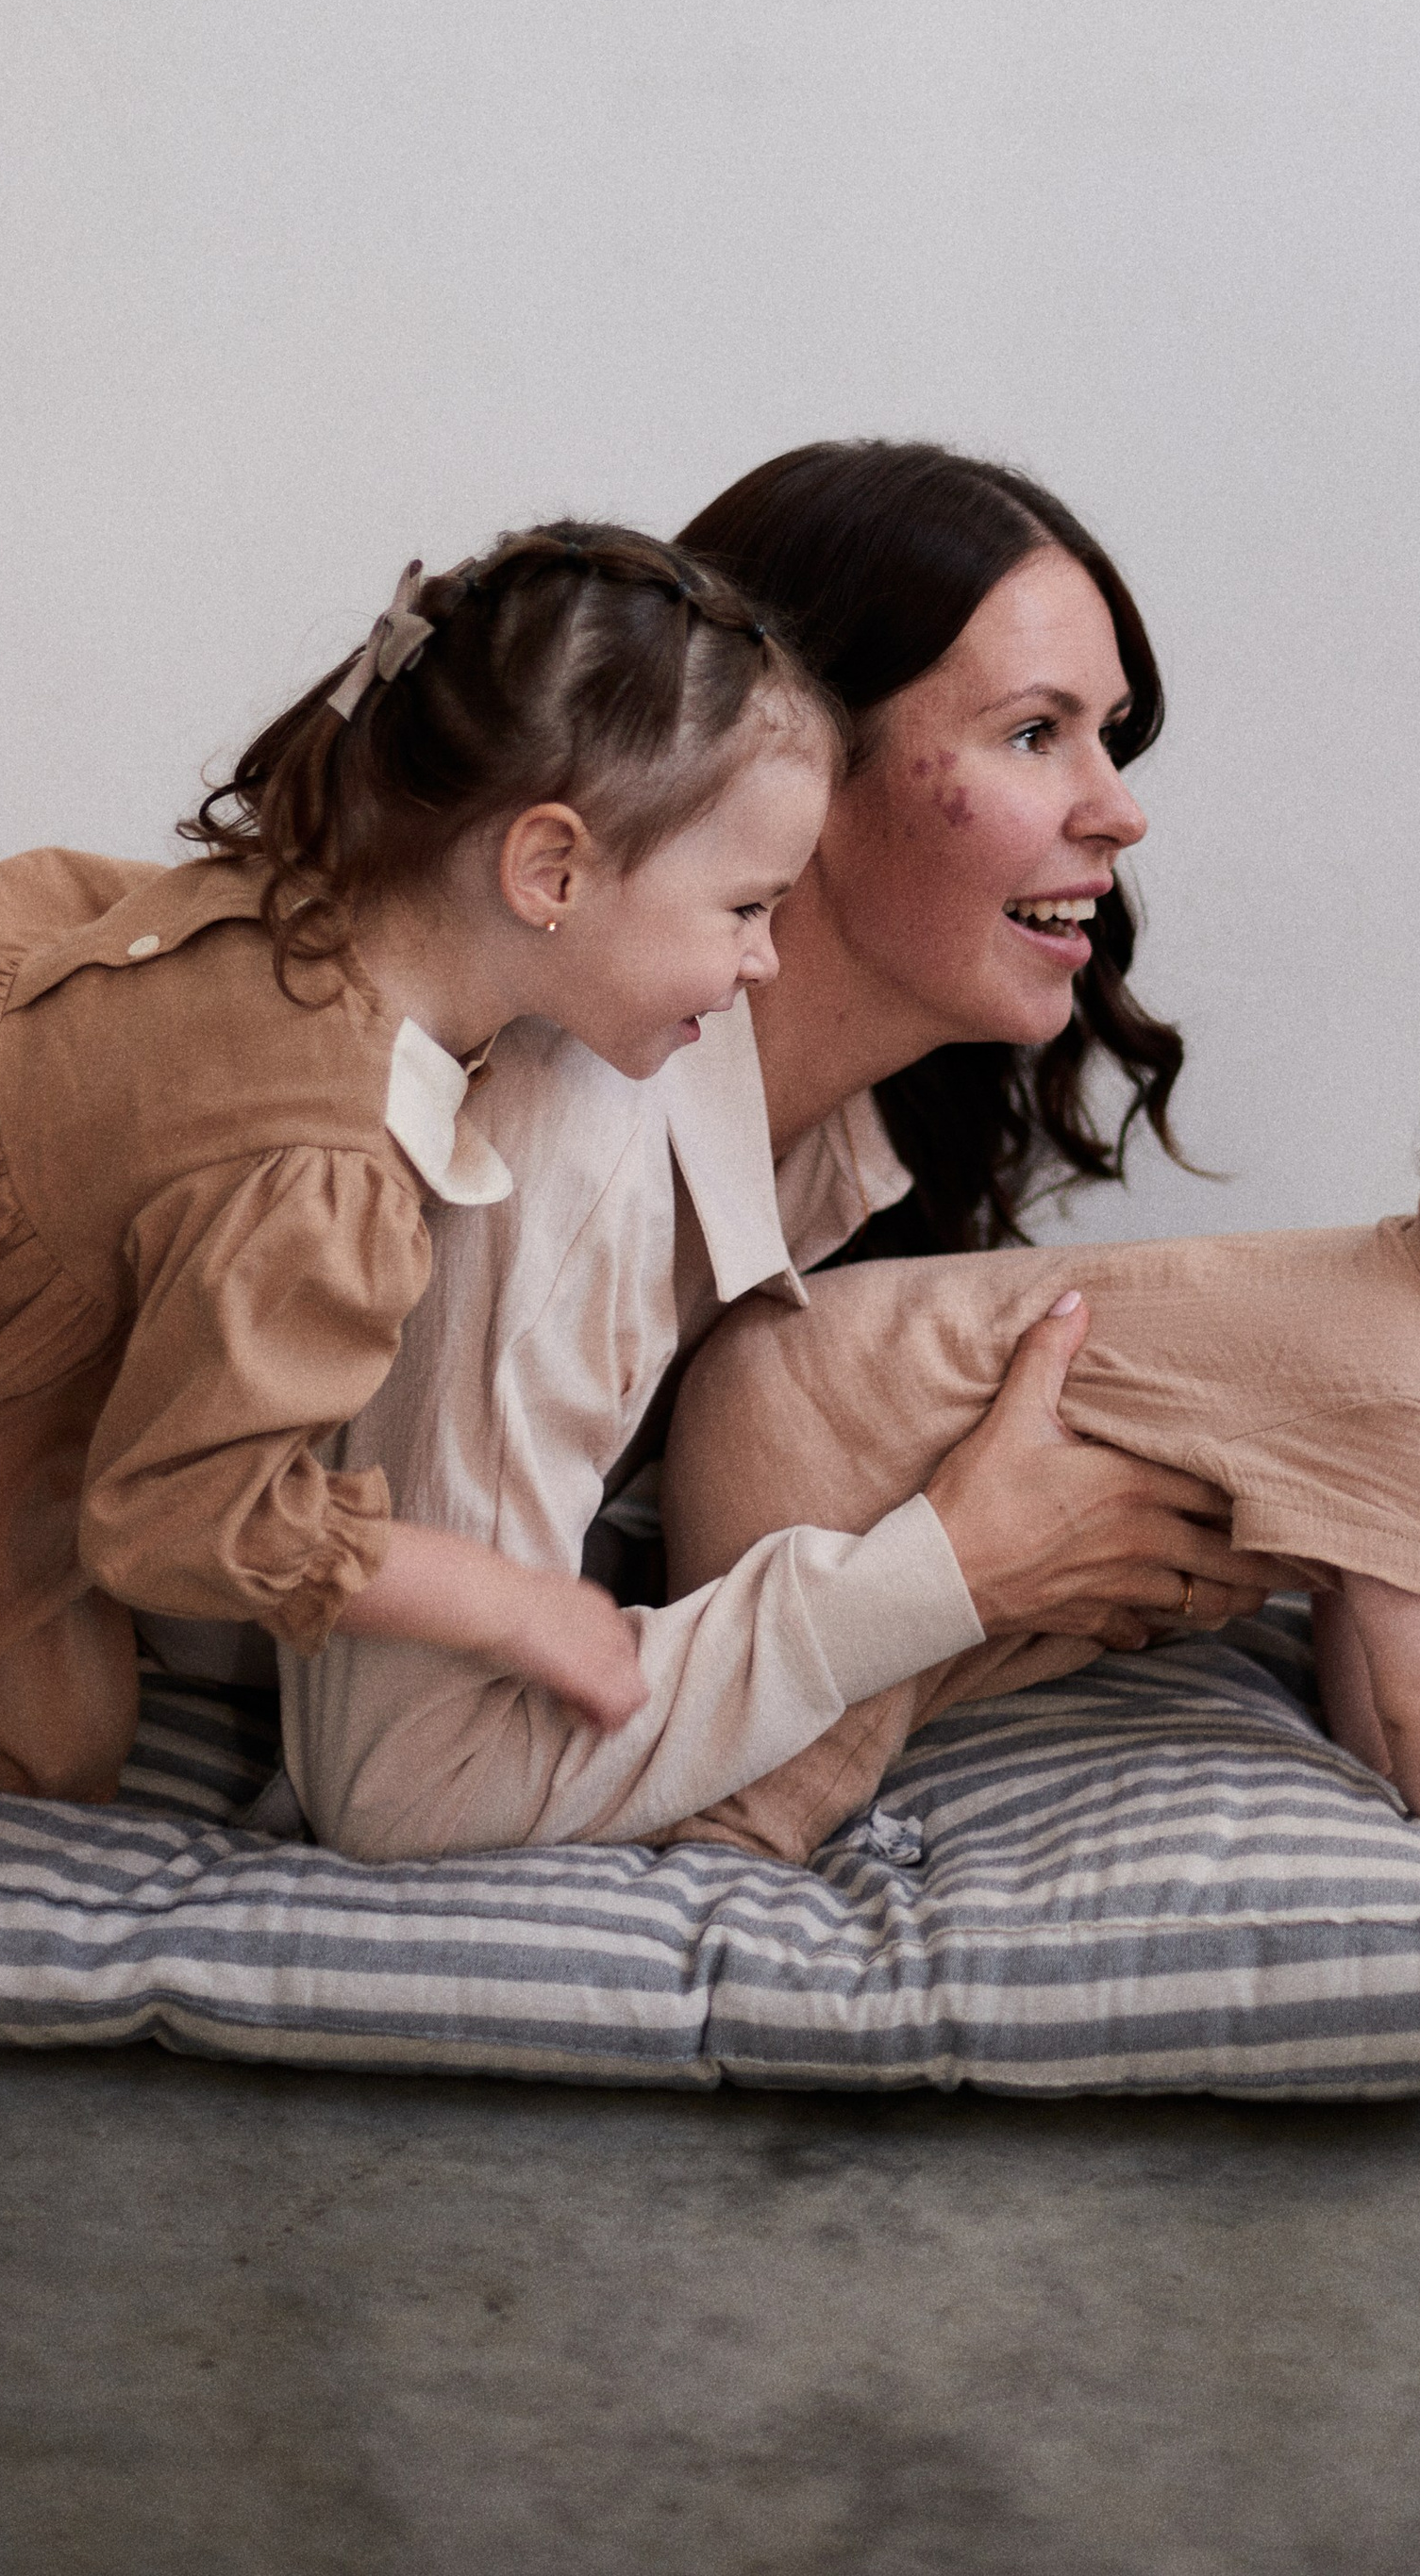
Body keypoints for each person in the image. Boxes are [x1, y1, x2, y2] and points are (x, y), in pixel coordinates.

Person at [280, 440, 1272, 1860]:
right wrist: (949, 1572)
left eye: (1109, 734)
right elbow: (401, 1786)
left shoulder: (838, 1135)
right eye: (1034, 733)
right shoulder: (567, 1141)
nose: (1120, 808)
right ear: (794, 768)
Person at [660, 948, 1420, 2120]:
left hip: (804, 1379)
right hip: (808, 1424)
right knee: (804, 1751)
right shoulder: (1407, 1392)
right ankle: (703, 1905)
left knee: (930, 1647)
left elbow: (1377, 1644)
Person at [0, 522, 848, 1797]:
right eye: (747, 908)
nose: (766, 962)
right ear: (549, 871)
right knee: (41, 1731)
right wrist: (506, 1601)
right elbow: (181, 1518)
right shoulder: (327, 1171)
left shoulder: (292, 914)